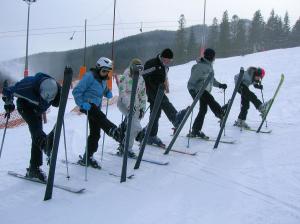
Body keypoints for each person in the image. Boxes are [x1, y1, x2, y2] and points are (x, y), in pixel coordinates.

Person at [2, 73, 61, 181]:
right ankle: (45, 144)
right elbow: (7, 90)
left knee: (36, 134)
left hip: (38, 109)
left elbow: (61, 95)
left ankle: (34, 168)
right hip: (25, 107)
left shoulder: (54, 86)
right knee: (36, 130)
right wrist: (9, 102)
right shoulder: (27, 86)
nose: (48, 101)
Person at [72, 57, 123, 169]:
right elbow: (76, 91)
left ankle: (88, 157)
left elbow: (102, 89)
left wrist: (107, 92)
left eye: (107, 71)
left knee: (96, 133)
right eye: (104, 71)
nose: (105, 74)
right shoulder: (89, 76)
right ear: (98, 68)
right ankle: (113, 131)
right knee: (100, 117)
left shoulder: (103, 78)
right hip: (87, 105)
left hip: (96, 107)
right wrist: (81, 104)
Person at [143, 48, 188, 147]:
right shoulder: (152, 63)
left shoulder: (165, 66)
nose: (169, 62)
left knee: (155, 114)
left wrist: (165, 86)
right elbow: (144, 73)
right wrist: (152, 82)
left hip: (159, 89)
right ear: (163, 57)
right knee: (164, 101)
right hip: (151, 89)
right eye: (168, 60)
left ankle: (151, 135)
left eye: (170, 61)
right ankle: (175, 118)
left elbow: (163, 77)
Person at [187, 48, 228, 139]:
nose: (214, 58)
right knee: (210, 100)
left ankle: (195, 130)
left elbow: (212, 80)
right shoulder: (200, 66)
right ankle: (220, 113)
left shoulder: (209, 66)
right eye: (213, 56)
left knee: (203, 110)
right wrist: (192, 92)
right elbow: (191, 81)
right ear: (210, 56)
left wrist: (220, 85)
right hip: (199, 90)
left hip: (205, 90)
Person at [117, 58, 147, 158]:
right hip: (124, 104)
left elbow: (143, 94)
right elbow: (122, 94)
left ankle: (125, 146)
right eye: (136, 69)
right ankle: (140, 135)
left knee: (132, 126)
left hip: (137, 105)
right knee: (134, 123)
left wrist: (142, 107)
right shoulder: (124, 77)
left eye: (140, 69)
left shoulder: (141, 79)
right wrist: (130, 105)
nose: (138, 72)